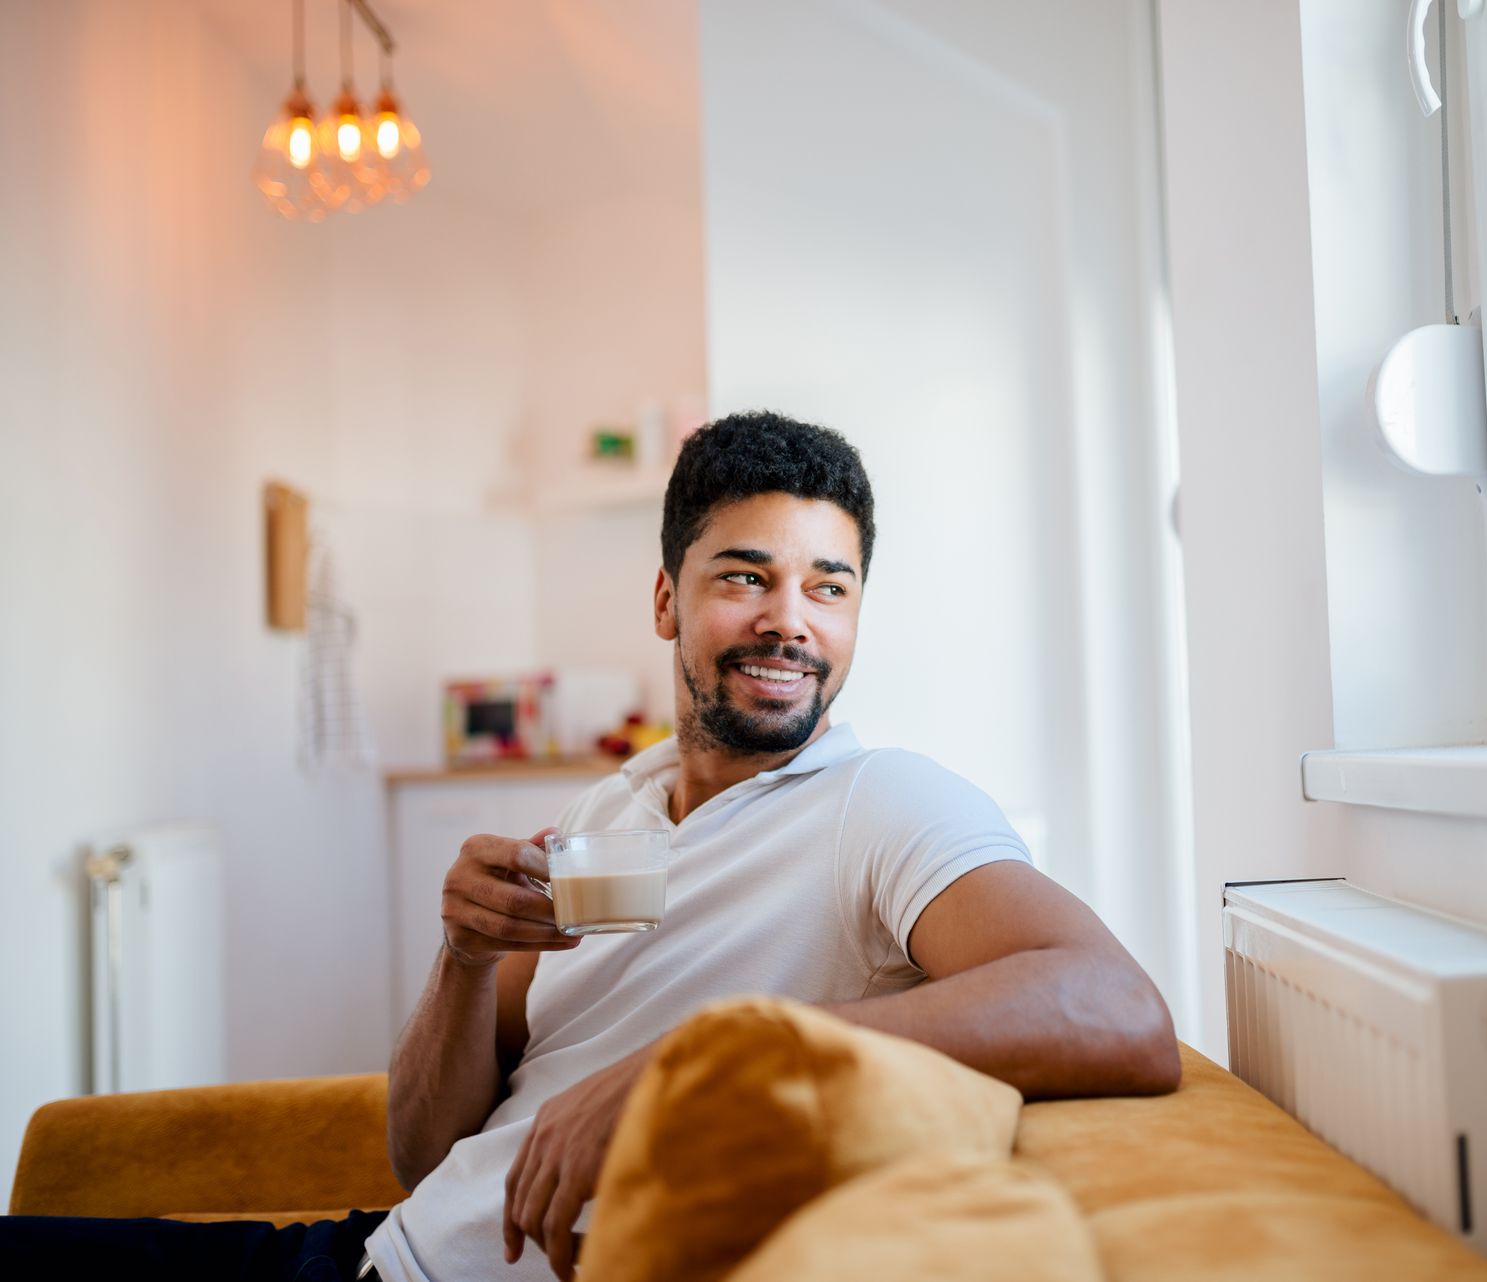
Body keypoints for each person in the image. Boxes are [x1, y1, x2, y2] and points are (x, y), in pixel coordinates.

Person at [0, 411, 1179, 1282]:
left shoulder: (879, 803)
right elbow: (422, 1155)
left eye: (831, 585)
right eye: (745, 576)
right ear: (666, 599)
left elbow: (1118, 1011)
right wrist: (461, 956)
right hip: (365, 1251)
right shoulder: (605, 813)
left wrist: (693, 1069)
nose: (790, 618)